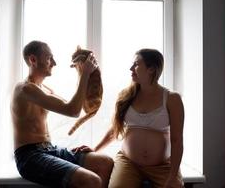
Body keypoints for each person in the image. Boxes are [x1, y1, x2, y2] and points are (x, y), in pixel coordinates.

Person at [10, 40, 113, 188]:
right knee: (92, 181)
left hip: (49, 149)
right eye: (49, 58)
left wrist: (85, 73)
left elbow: (75, 106)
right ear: (33, 60)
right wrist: (85, 74)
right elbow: (73, 111)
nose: (54, 63)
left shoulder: (44, 89)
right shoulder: (25, 89)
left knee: (105, 162)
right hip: (30, 156)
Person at [76, 48, 184, 188]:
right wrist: (95, 149)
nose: (131, 68)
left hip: (162, 166)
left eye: (136, 64)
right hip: (129, 163)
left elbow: (177, 139)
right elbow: (115, 129)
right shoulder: (126, 96)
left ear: (151, 68)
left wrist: (174, 175)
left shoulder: (172, 99)